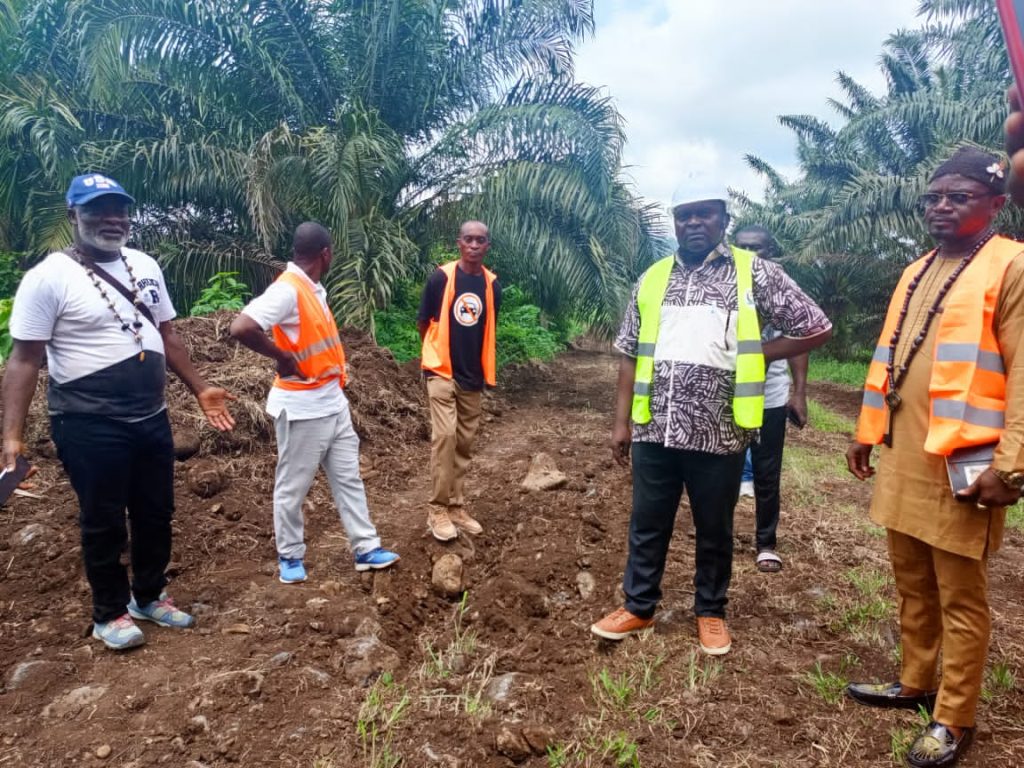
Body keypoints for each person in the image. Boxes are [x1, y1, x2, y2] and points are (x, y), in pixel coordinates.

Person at [590, 190, 831, 655]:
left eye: (705, 214)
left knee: (714, 526)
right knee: (647, 522)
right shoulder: (653, 278)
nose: (694, 222)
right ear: (675, 222)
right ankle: (638, 606)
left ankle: (711, 611)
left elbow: (816, 326)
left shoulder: (754, 272)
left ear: (723, 219)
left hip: (719, 429)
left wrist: (759, 352)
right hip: (655, 426)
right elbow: (630, 354)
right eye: (685, 215)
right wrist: (621, 424)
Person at [1, 173, 236, 651]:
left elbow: (168, 335)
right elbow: (24, 360)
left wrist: (200, 388)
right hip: (88, 422)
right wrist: (11, 438)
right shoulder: (47, 278)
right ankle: (109, 612)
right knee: (103, 518)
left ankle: (148, 596)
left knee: (156, 513)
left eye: (120, 209)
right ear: (73, 215)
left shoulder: (145, 264)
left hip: (151, 416)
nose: (112, 219)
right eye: (97, 210)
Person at [845, 147, 1024, 768]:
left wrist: (1012, 464)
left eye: (959, 197)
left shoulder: (1012, 265)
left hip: (964, 462)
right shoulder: (917, 269)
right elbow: (890, 355)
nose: (940, 207)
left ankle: (955, 716)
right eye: (933, 197)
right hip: (904, 454)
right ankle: (915, 682)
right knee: (911, 582)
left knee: (960, 596)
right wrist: (867, 430)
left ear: (996, 204)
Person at [230, 222, 399, 584]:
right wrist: (282, 357)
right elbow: (241, 327)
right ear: (326, 254)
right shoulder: (288, 290)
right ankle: (290, 556)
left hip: (332, 402)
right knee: (293, 486)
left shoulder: (312, 288)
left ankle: (366, 548)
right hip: (302, 408)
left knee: (349, 478)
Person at [416, 221, 501, 541]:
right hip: (441, 370)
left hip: (472, 376)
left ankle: (455, 506)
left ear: (487, 246)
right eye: (469, 239)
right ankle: (437, 509)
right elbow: (424, 322)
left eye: (480, 240)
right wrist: (435, 353)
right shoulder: (441, 278)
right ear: (459, 243)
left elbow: (486, 328)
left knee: (464, 443)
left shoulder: (492, 285)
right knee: (445, 437)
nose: (474, 245)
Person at [732, 225, 810, 573]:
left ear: (770, 252)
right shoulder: (720, 284)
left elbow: (800, 340)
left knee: (766, 473)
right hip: (725, 397)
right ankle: (717, 536)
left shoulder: (782, 288)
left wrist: (799, 393)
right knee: (721, 471)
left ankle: (766, 543)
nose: (750, 254)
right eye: (743, 247)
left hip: (770, 397)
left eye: (757, 248)